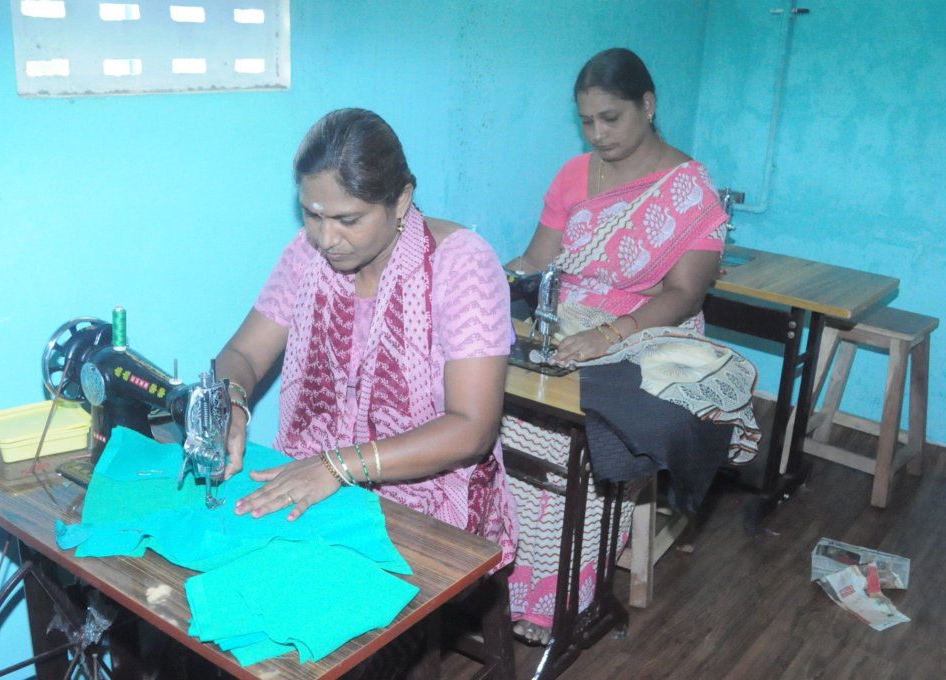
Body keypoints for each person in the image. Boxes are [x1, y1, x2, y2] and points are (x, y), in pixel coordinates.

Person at [504, 48, 754, 644]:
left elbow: (685, 294)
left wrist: (607, 334)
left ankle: (556, 601)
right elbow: (539, 262)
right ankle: (497, 573)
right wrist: (480, 283)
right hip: (567, 326)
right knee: (503, 420)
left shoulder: (692, 193)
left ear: (648, 105)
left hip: (645, 334)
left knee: (583, 445)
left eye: (610, 118)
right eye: (587, 121)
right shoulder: (573, 174)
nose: (598, 134)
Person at [215, 108, 517, 572]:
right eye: (311, 215)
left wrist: (337, 466)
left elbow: (472, 428)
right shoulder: (306, 254)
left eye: (347, 220)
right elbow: (242, 354)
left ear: (401, 200)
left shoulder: (461, 265)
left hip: (433, 503)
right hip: (319, 474)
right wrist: (230, 402)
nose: (325, 238)